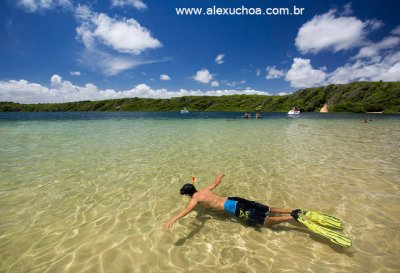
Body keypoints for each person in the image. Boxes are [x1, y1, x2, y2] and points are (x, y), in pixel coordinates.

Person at [163, 173, 299, 230]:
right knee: (265, 209)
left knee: (265, 222)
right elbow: (216, 182)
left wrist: (173, 219)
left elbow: (186, 210)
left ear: (188, 194)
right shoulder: (204, 190)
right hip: (233, 199)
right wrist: (220, 175)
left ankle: (291, 217)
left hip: (233, 207)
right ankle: (291, 210)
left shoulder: (195, 199)